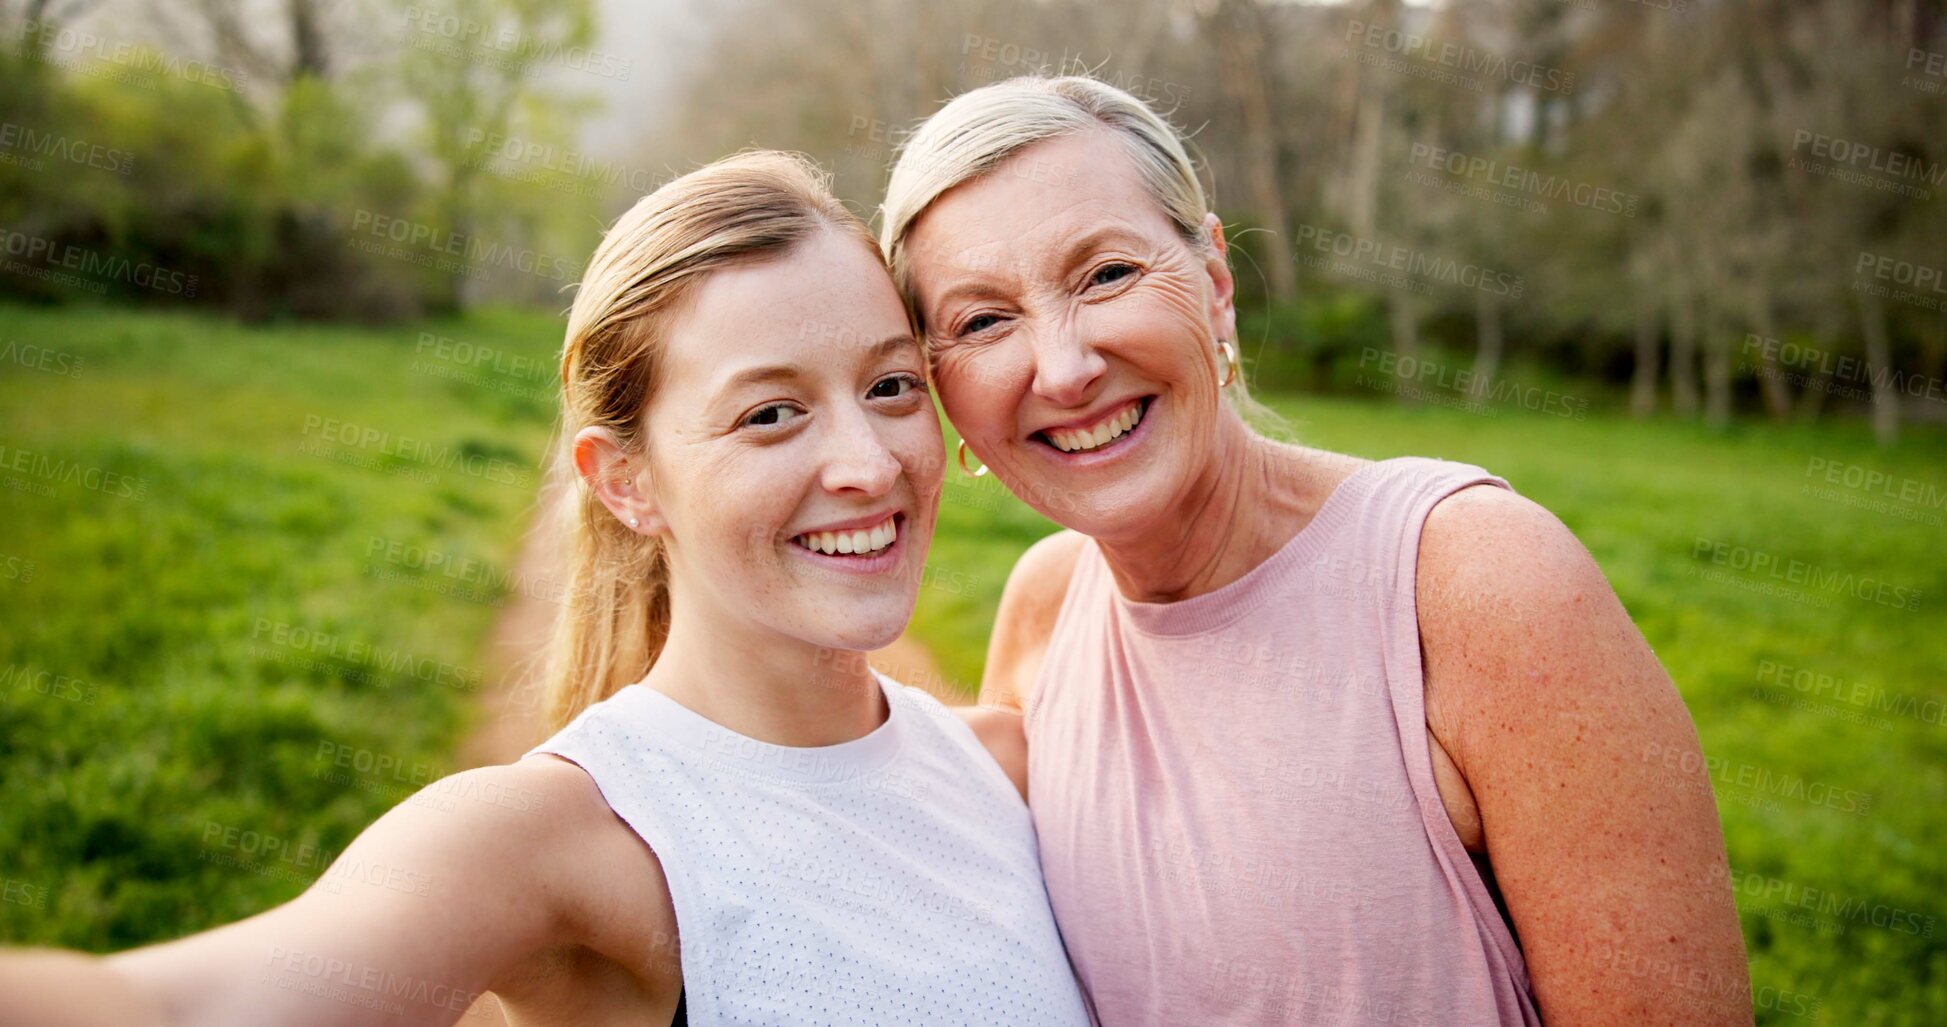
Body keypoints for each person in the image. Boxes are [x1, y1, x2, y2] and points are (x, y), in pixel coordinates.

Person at [0, 151, 1089, 1027]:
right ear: (626, 482)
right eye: (771, 412)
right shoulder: (568, 838)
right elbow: (176, 1003)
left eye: (891, 386)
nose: (868, 461)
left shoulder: (1003, 769)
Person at [879, 75, 1752, 1026]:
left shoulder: (1474, 580)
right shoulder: (1043, 610)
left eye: (1106, 275)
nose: (1065, 366)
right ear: (940, 390)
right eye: (981, 322)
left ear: (1214, 282)